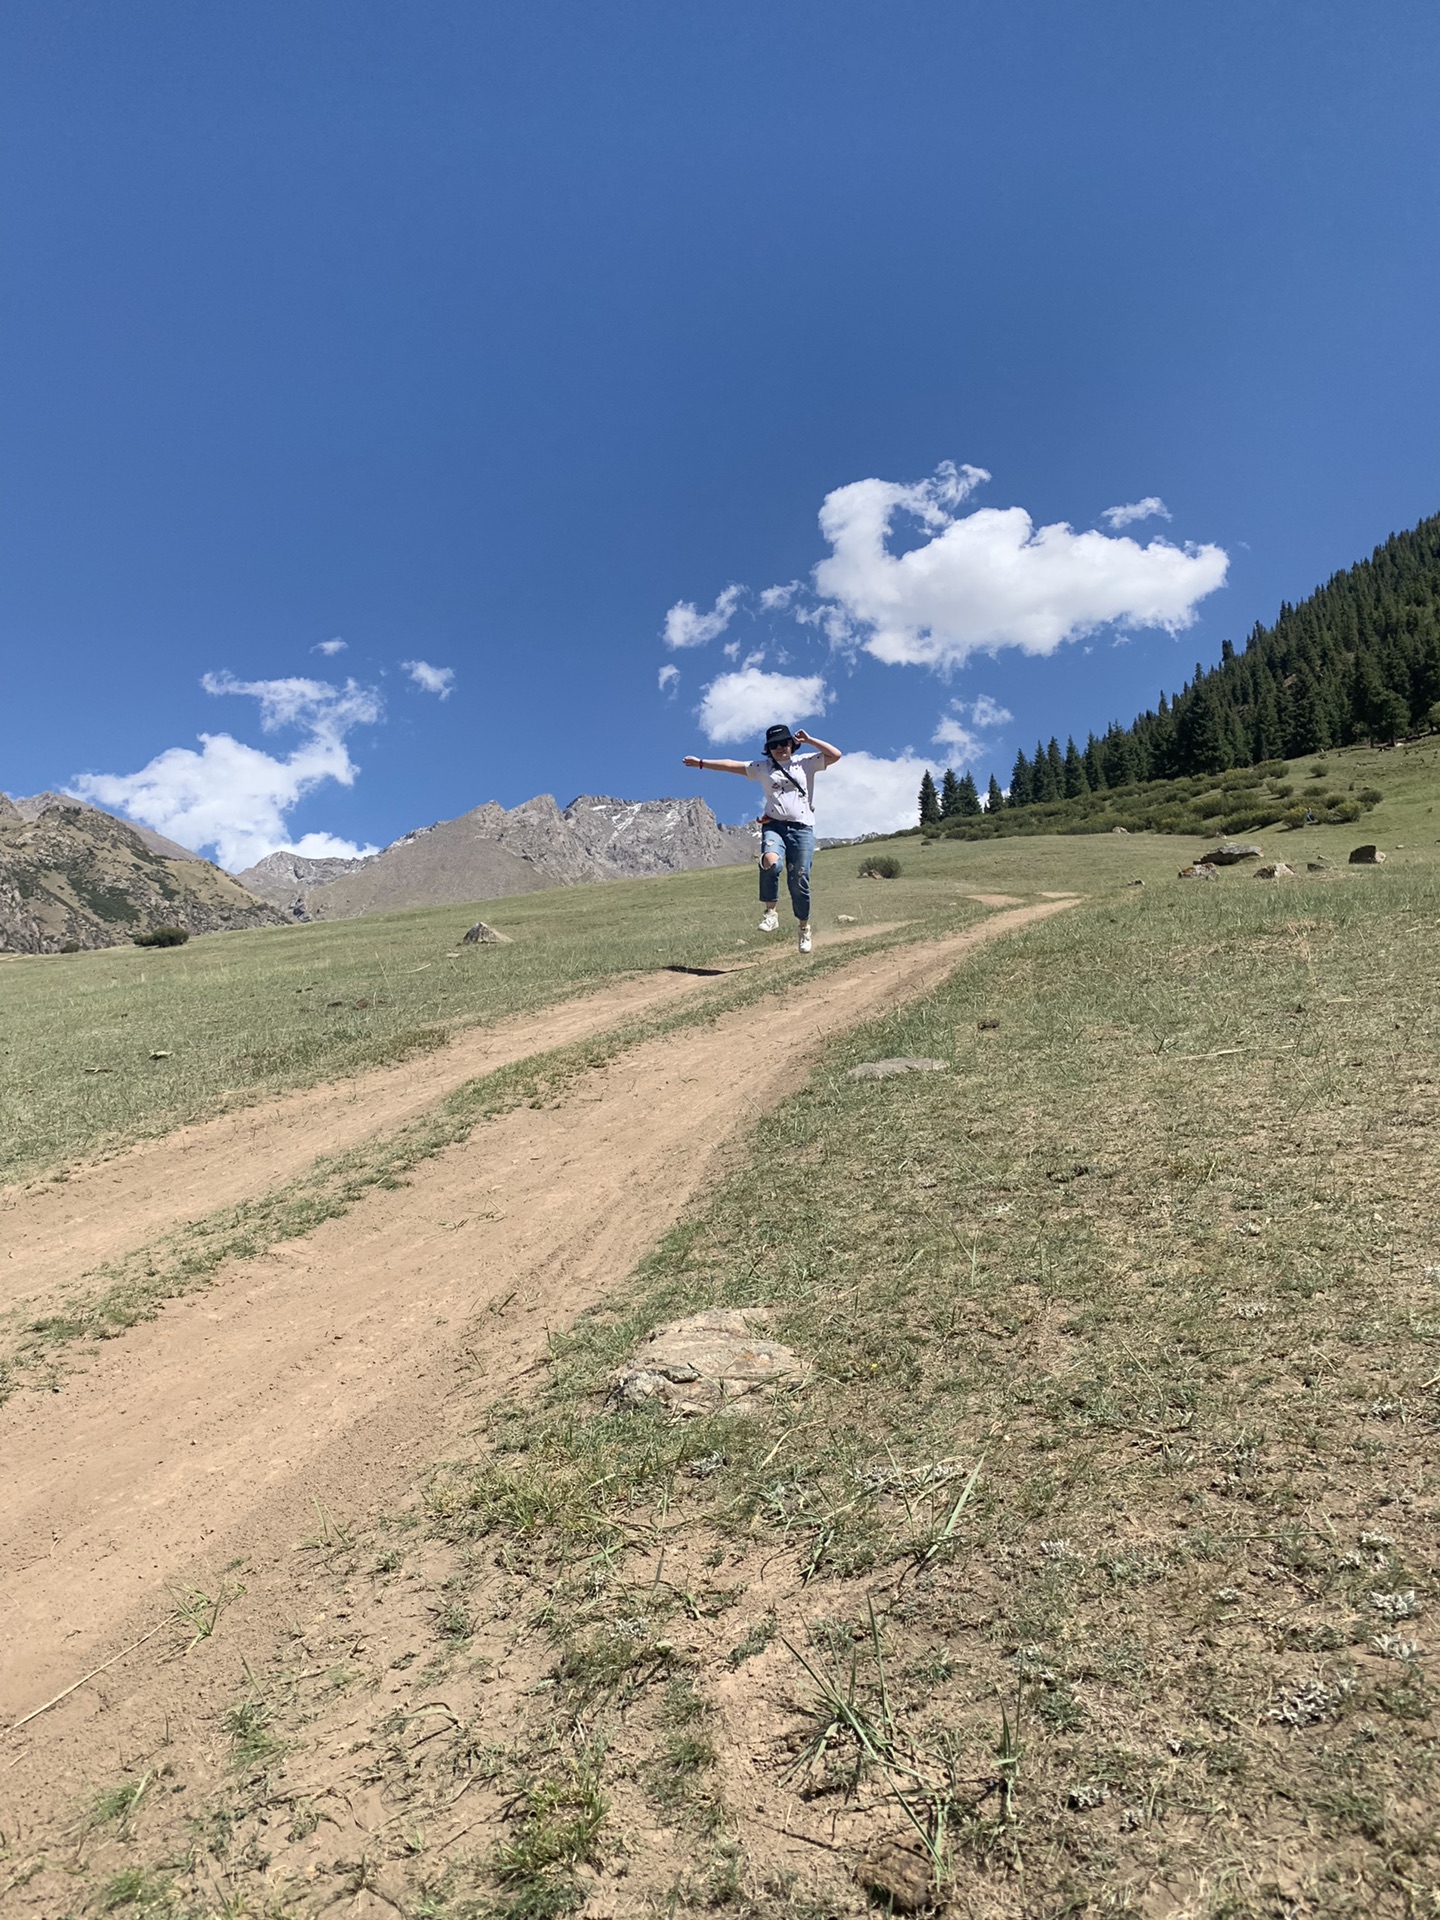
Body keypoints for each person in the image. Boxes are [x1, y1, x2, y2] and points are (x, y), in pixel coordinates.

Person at [683, 723, 842, 952]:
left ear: (791, 744)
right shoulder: (762, 767)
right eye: (774, 745)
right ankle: (771, 913)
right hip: (774, 825)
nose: (780, 748)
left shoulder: (805, 762)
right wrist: (701, 763)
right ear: (768, 748)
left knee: (800, 880)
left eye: (784, 743)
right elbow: (731, 765)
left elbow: (835, 755)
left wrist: (810, 740)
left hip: (802, 829)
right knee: (770, 861)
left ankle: (804, 929)